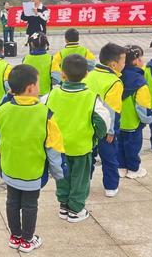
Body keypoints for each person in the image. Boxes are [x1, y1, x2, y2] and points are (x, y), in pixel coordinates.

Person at [0, 64, 65, 252]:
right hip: (32, 171)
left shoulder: (3, 110)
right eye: (38, 83)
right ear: (30, 88)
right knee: (29, 205)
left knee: (12, 202)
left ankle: (15, 236)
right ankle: (28, 239)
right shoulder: (46, 114)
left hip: (10, 167)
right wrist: (59, 174)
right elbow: (54, 148)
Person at [44, 55, 110, 222]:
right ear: (87, 74)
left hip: (59, 148)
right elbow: (103, 122)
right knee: (80, 180)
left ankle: (63, 205)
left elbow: (41, 115)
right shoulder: (91, 97)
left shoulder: (52, 95)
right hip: (81, 147)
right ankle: (76, 209)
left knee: (62, 177)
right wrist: (95, 136)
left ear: (62, 74)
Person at [84, 43, 126, 197]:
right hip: (105, 127)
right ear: (113, 64)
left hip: (88, 124)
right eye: (123, 61)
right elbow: (111, 109)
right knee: (109, 157)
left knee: (89, 157)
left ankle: (84, 184)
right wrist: (110, 130)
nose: (124, 64)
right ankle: (110, 187)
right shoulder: (114, 82)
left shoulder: (90, 75)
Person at [118, 45, 152, 179]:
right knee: (133, 147)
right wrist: (148, 119)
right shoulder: (139, 81)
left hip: (117, 122)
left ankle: (121, 168)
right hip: (133, 123)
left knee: (119, 146)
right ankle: (134, 169)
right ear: (136, 60)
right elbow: (142, 106)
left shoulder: (117, 77)